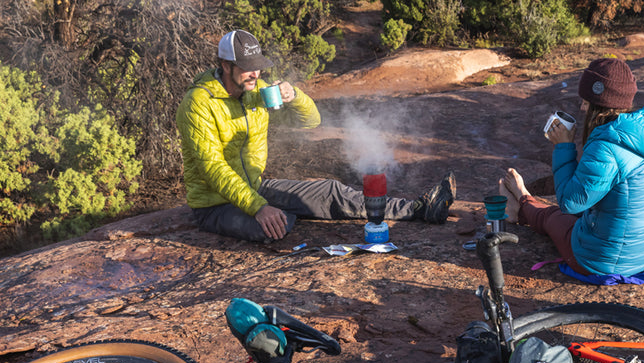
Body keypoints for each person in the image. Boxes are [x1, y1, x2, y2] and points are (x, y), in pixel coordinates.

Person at [176, 30, 455, 242]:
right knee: (277, 225)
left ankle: (419, 208)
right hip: (215, 205)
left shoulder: (256, 91)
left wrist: (294, 96)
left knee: (330, 191)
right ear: (226, 65)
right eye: (247, 66)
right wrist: (259, 207)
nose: (255, 73)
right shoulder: (198, 103)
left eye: (258, 65)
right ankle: (294, 211)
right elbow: (213, 168)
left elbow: (310, 121)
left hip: (256, 187)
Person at [500, 58, 644, 284]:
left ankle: (521, 207)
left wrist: (563, 146)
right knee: (577, 214)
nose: (582, 107)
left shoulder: (608, 147)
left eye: (586, 101)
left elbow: (570, 202)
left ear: (599, 103)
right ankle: (525, 202)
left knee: (554, 216)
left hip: (601, 261)